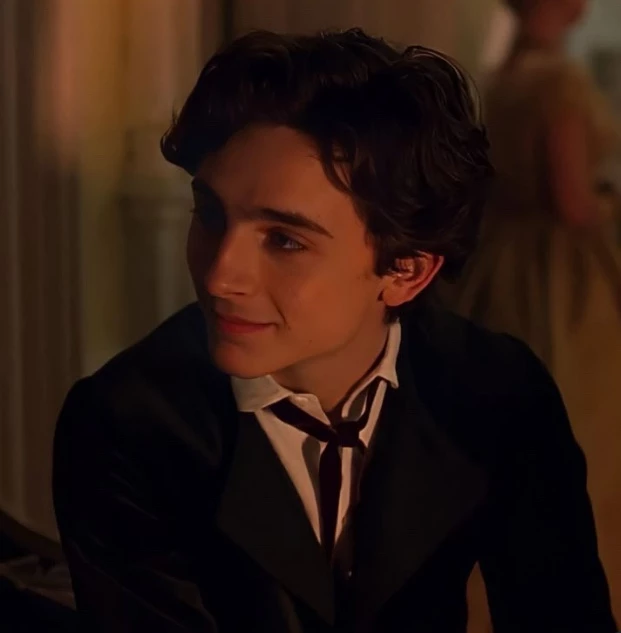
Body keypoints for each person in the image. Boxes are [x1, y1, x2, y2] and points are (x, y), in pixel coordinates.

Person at [53, 28, 616, 633]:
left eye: (284, 240)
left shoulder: (497, 393)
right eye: (210, 213)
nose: (219, 275)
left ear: (405, 273)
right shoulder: (126, 423)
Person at [447, 0, 621, 623]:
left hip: (499, 266)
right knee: (580, 433)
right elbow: (571, 201)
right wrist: (609, 204)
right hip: (558, 279)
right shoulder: (556, 83)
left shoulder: (499, 78)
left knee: (500, 438)